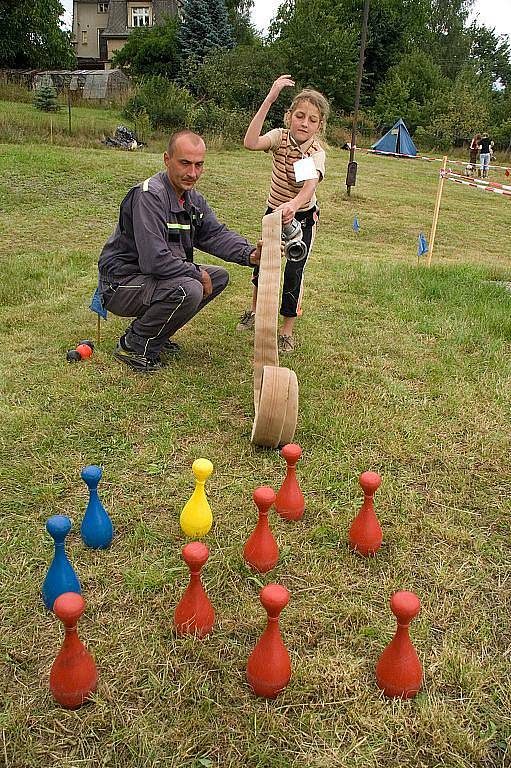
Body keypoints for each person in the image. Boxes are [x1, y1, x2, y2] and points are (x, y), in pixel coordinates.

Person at [97, 130, 261, 372]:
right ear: (166, 159)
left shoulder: (192, 200)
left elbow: (214, 234)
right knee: (191, 287)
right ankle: (135, 344)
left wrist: (249, 254)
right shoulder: (150, 196)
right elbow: (155, 260)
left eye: (198, 165)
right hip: (120, 284)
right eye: (185, 163)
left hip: (148, 279)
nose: (192, 173)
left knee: (218, 277)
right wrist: (197, 273)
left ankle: (156, 337)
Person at [237, 75, 329, 354]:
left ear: (320, 125)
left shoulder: (314, 153)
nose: (304, 123)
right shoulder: (279, 138)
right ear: (289, 117)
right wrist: (270, 98)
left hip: (301, 218)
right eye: (299, 116)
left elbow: (308, 187)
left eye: (312, 119)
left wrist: (293, 205)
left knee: (293, 273)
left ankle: (286, 331)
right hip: (273, 214)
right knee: (262, 264)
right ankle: (254, 313)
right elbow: (250, 142)